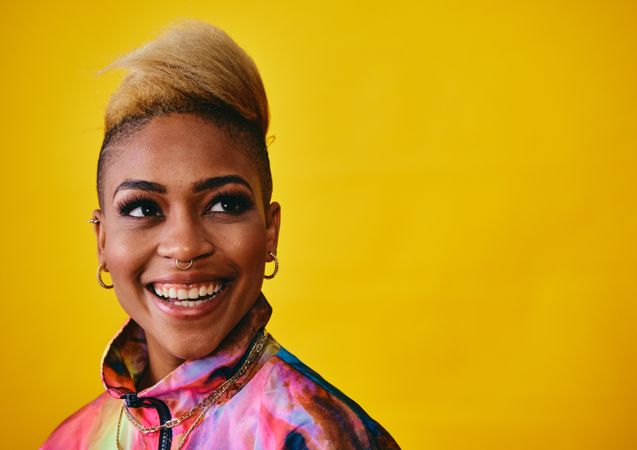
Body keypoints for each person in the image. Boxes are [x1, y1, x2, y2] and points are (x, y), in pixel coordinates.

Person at [42, 20, 398, 450]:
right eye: (143, 208)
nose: (185, 247)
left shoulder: (323, 436)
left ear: (270, 232)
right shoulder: (70, 441)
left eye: (224, 204)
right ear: (102, 242)